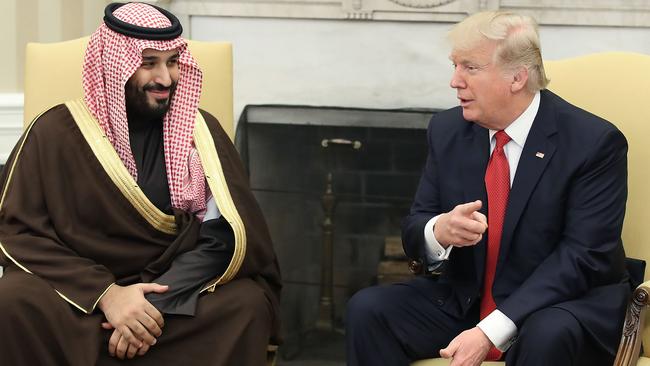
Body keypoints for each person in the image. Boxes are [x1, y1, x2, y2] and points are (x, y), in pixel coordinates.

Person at [0, 2, 281, 365]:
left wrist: (149, 308)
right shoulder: (54, 133)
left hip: (169, 296)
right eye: (149, 63)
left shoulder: (202, 134)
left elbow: (225, 237)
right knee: (12, 302)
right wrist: (108, 295)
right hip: (78, 297)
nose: (165, 78)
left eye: (173, 62)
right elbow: (17, 231)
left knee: (246, 305)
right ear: (114, 65)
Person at [346, 11, 630, 366]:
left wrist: (489, 331)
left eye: (470, 68)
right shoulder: (448, 130)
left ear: (517, 78)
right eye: (454, 66)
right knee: (368, 309)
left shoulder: (593, 143)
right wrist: (440, 231)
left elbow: (582, 257)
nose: (455, 81)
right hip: (468, 299)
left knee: (547, 334)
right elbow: (416, 224)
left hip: (560, 304)